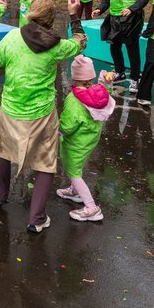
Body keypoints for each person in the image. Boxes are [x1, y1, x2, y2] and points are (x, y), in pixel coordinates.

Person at [0, 0, 87, 233]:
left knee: (2, 150)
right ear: (52, 19)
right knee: (45, 162)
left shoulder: (12, 37)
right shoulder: (57, 47)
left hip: (11, 109)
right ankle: (37, 218)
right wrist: (74, 15)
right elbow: (80, 42)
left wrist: (7, 68)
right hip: (41, 114)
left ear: (30, 13)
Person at [56, 55, 115, 222]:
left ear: (74, 78)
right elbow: (107, 89)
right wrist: (106, 81)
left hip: (76, 142)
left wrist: (58, 130)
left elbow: (68, 125)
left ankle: (91, 207)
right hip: (90, 139)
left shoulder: (74, 99)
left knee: (73, 171)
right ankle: (75, 191)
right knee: (78, 165)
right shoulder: (99, 91)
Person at [91, 0, 149, 92]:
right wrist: (99, 9)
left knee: (132, 49)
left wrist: (131, 8)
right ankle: (120, 73)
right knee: (114, 46)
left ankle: (135, 78)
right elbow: (106, 0)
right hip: (115, 18)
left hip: (131, 18)